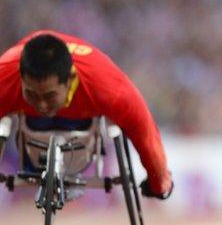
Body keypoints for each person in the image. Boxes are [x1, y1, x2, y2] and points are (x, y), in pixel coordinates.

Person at [0, 30, 173, 199]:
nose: (42, 105)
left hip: (82, 126)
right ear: (20, 78)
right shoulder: (5, 77)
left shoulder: (109, 88)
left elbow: (145, 134)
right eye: (32, 94)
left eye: (49, 96)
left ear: (70, 78)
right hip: (31, 131)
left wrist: (159, 183)